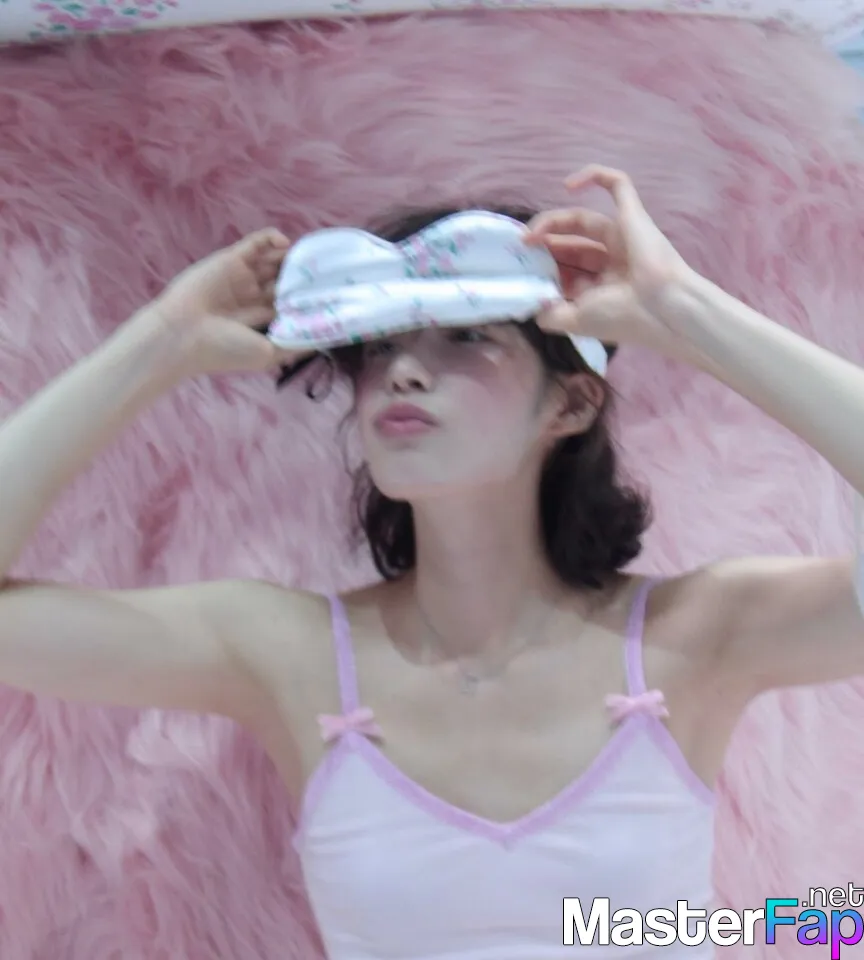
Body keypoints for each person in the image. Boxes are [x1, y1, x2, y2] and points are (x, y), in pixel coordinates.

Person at [1, 164, 863, 958]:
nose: (405, 371)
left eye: (467, 336)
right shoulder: (288, 653)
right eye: (380, 346)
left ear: (570, 402)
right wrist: (159, 342)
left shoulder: (701, 633)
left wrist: (686, 308)